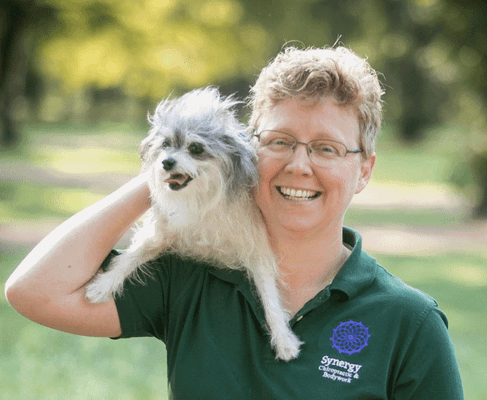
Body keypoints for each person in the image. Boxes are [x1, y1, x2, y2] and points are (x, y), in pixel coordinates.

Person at [5, 45, 463, 399]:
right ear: (244, 153)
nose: (299, 165)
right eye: (279, 142)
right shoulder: (187, 274)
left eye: (327, 148)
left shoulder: (411, 323)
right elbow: (33, 291)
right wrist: (174, 168)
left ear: (364, 169)